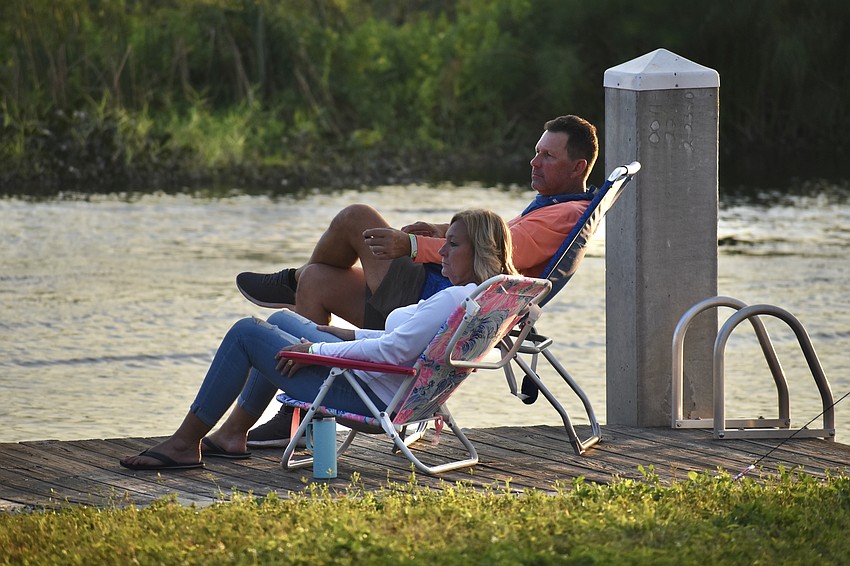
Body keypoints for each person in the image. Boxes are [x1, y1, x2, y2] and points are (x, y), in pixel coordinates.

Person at [240, 114, 599, 446]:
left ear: (578, 167)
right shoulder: (551, 205)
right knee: (317, 281)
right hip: (436, 301)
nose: (534, 162)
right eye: (536, 153)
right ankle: (295, 414)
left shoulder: (562, 215)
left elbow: (493, 249)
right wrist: (443, 230)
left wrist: (412, 244)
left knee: (356, 217)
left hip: (437, 304)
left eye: (548, 156)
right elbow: (493, 237)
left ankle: (293, 283)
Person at [119, 209, 518, 471]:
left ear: (479, 249)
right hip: (398, 391)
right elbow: (404, 344)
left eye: (452, 244)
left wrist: (316, 351)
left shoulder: (451, 297)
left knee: (245, 332)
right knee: (280, 318)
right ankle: (231, 434)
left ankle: (184, 444)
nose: (441, 252)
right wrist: (345, 333)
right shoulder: (484, 300)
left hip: (367, 392)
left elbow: (393, 351)